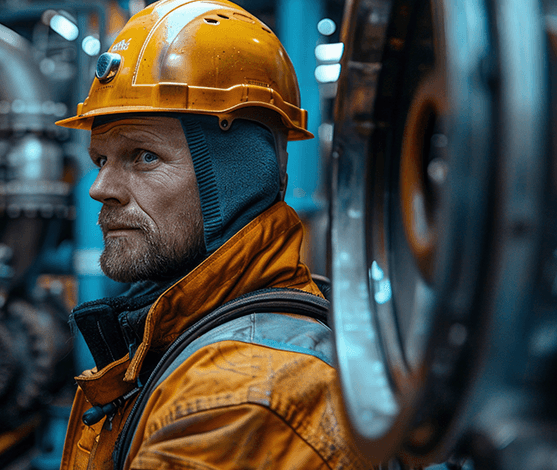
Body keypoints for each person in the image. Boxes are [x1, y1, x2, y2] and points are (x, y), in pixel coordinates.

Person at [55, 0, 372, 468]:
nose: (101, 189)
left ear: (237, 179)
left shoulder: (238, 403)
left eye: (143, 155)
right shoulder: (181, 336)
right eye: (100, 159)